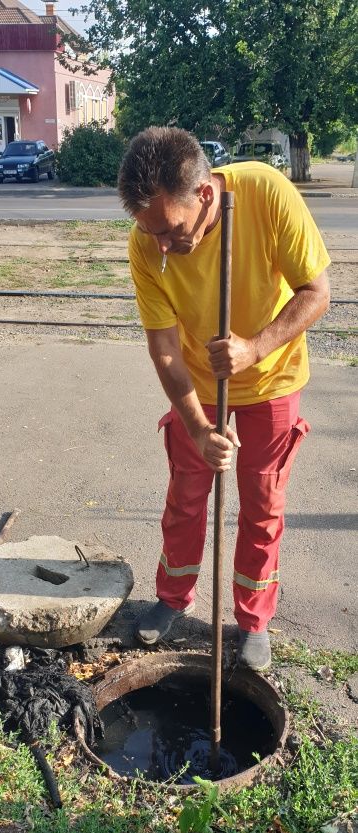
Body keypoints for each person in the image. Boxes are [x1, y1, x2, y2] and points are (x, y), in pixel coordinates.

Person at [118, 126, 330, 670]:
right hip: (197, 381)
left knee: (262, 504)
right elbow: (164, 347)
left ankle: (253, 619)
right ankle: (172, 598)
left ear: (205, 195)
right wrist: (194, 426)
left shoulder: (265, 193)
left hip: (271, 378)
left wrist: (254, 348)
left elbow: (317, 291)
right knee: (187, 495)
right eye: (150, 232)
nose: (161, 246)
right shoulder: (146, 241)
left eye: (171, 229)